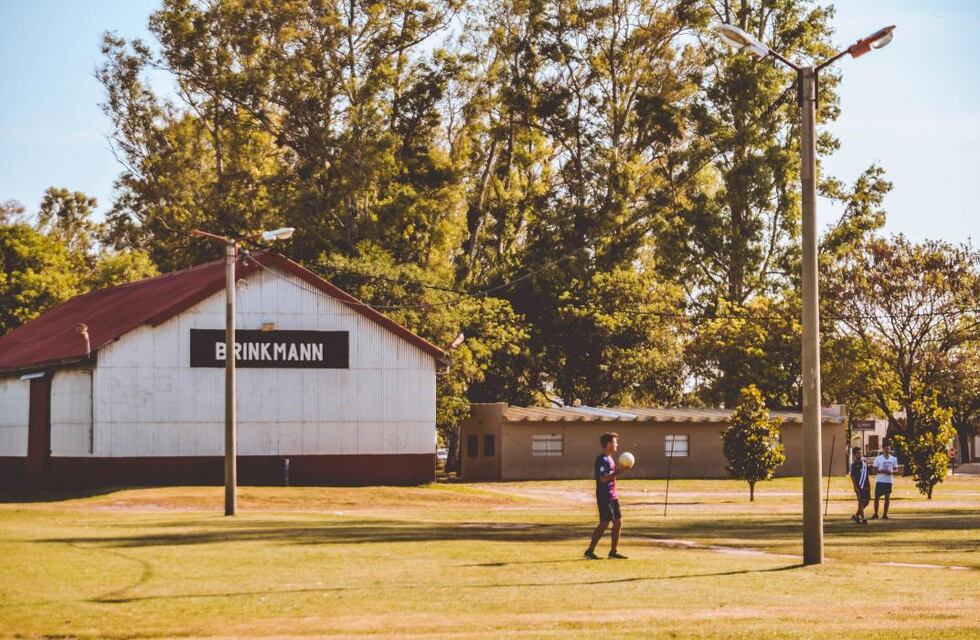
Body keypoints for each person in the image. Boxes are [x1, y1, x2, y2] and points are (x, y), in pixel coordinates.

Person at [585, 432, 629, 559]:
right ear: (609, 444)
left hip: (613, 495)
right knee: (604, 523)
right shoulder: (602, 459)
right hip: (605, 496)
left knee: (618, 522)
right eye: (615, 442)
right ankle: (590, 551)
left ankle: (613, 552)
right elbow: (603, 479)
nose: (617, 444)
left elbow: (611, 475)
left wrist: (619, 470)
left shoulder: (610, 459)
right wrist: (618, 472)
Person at [872, 443, 898, 520]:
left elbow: (897, 469)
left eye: (888, 449)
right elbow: (873, 470)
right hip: (880, 480)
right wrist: (882, 471)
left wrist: (892, 472)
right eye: (885, 449)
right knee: (877, 497)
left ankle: (885, 514)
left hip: (888, 481)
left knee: (887, 498)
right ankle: (876, 514)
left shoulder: (893, 459)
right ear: (882, 449)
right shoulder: (878, 458)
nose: (887, 450)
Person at [849, 447, 869, 525]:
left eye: (860, 453)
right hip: (859, 485)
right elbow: (853, 476)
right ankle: (863, 518)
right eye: (858, 453)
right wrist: (855, 486)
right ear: (854, 454)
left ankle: (856, 515)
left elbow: (866, 474)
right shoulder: (853, 465)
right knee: (861, 501)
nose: (859, 455)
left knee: (866, 502)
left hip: (866, 485)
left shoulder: (864, 463)